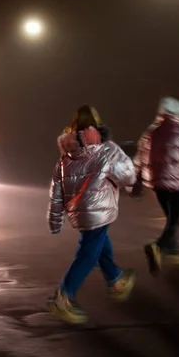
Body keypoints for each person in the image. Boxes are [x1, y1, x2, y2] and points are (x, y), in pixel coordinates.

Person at [47, 105, 137, 324]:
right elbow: (130, 177)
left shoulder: (65, 156)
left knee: (99, 245)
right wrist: (115, 167)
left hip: (78, 213)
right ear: (97, 124)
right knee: (87, 254)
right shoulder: (107, 149)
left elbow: (56, 189)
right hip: (100, 211)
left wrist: (55, 219)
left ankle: (116, 280)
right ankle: (64, 296)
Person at [131, 97, 179, 273]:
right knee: (174, 221)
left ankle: (173, 252)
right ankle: (157, 246)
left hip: (158, 184)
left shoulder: (150, 133)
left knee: (170, 219)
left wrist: (136, 185)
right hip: (177, 185)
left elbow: (139, 161)